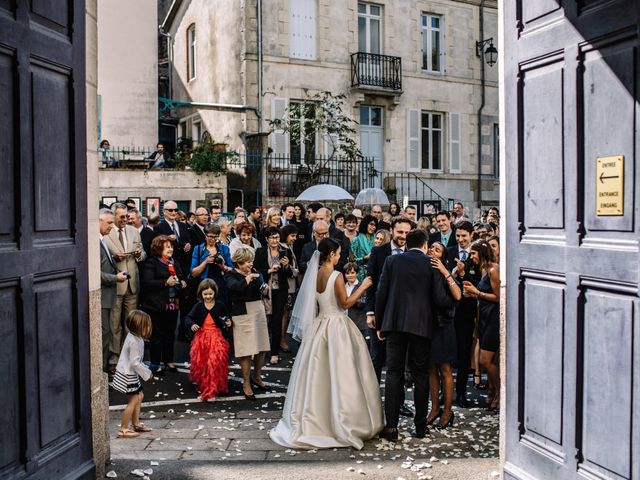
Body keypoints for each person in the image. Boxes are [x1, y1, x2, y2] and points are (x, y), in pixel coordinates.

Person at [269, 239, 382, 449]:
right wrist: (364, 286)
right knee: (342, 375)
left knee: (317, 375)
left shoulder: (316, 273)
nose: (340, 256)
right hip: (337, 325)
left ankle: (316, 419)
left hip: (320, 325)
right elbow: (345, 303)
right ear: (331, 255)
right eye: (338, 253)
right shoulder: (337, 275)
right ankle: (342, 422)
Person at [375, 229, 455, 440]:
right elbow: (440, 299)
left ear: (407, 245)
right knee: (420, 374)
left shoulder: (392, 261)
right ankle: (420, 426)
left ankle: (391, 427)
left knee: (394, 372)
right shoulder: (431, 264)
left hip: (394, 324)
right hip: (422, 326)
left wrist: (380, 324)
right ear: (426, 245)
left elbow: (381, 293)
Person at [104, 203, 146, 374]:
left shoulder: (134, 231)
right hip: (115, 285)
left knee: (130, 324)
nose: (125, 220)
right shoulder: (106, 233)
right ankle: (114, 359)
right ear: (113, 216)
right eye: (121, 217)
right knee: (114, 325)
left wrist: (139, 255)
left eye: (127, 216)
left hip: (132, 285)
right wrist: (114, 257)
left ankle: (129, 358)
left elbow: (143, 253)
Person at [225, 247, 271, 400]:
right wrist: (247, 278)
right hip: (241, 313)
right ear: (238, 263)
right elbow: (233, 288)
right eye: (246, 262)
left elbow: (261, 287)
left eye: (250, 261)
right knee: (245, 350)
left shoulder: (255, 271)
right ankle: (246, 382)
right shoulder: (231, 274)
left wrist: (265, 288)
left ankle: (257, 376)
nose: (249, 265)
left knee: (261, 347)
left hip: (257, 309)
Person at [461, 240, 501, 412]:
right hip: (483, 317)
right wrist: (473, 294)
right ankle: (493, 390)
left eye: (473, 254)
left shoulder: (494, 269)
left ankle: (498, 391)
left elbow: (499, 297)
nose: (471, 257)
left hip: (493, 318)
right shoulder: (483, 270)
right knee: (487, 360)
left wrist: (477, 293)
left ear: (481, 253)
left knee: (486, 359)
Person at [425, 241, 461, 429]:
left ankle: (448, 410)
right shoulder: (425, 270)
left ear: (442, 257)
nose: (432, 250)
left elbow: (457, 295)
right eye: (431, 248)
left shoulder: (445, 273)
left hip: (444, 325)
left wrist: (445, 271)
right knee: (431, 368)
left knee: (445, 369)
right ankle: (435, 408)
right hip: (428, 324)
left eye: (437, 250)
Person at [446, 220, 481, 407]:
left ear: (471, 235)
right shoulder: (449, 252)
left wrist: (462, 275)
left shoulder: (476, 255)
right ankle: (446, 393)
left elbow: (478, 280)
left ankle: (460, 393)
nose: (460, 239)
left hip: (466, 311)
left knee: (464, 352)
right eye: (458, 235)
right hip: (448, 310)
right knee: (446, 354)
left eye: (464, 236)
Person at [140, 235, 187, 375]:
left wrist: (183, 282)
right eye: (167, 247)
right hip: (156, 305)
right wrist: (165, 283)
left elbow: (180, 275)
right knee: (156, 335)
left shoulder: (174, 262)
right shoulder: (151, 263)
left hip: (173, 304)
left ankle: (169, 361)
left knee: (170, 334)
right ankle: (155, 364)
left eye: (171, 247)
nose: (170, 249)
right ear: (158, 249)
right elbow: (147, 283)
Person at [185, 279, 232, 401]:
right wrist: (192, 324)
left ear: (215, 293)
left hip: (216, 338)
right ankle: (205, 386)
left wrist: (228, 322)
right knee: (203, 365)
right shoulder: (198, 306)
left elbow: (226, 317)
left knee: (214, 364)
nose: (208, 296)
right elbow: (188, 318)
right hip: (201, 339)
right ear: (200, 294)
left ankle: (211, 390)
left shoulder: (220, 305)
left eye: (210, 294)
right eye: (205, 294)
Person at [254, 226, 293, 364]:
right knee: (262, 320)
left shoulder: (285, 251)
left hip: (280, 290)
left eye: (277, 237)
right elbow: (256, 270)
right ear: (266, 239)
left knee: (276, 321)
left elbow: (290, 274)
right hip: (264, 290)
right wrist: (269, 270)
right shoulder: (259, 252)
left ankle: (274, 353)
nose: (275, 240)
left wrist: (287, 266)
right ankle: (258, 350)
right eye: (272, 237)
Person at [113, 310, 154, 438]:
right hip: (127, 375)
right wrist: (147, 373)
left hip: (128, 373)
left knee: (139, 395)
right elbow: (135, 363)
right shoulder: (135, 341)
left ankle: (135, 423)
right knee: (134, 399)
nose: (149, 328)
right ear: (139, 327)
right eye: (146, 325)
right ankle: (123, 429)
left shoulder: (133, 336)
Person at [100, 208, 128, 372]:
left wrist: (117, 273)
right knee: (105, 334)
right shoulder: (96, 241)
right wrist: (115, 278)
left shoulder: (102, 239)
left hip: (108, 296)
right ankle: (102, 373)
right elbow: (94, 274)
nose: (112, 226)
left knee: (107, 333)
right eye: (109, 222)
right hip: (103, 296)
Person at [190, 223, 233, 305]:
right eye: (210, 236)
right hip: (204, 286)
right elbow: (193, 273)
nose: (213, 239)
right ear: (205, 235)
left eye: (215, 237)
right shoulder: (198, 249)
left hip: (221, 285)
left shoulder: (224, 249)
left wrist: (223, 266)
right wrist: (205, 262)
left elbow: (232, 270)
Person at [343, 262, 367, 339]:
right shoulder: (343, 287)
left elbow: (365, 301)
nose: (350, 275)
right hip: (344, 322)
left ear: (357, 274)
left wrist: (349, 301)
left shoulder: (362, 286)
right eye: (347, 273)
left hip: (359, 323)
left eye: (353, 273)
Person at [350, 215, 378, 281]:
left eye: (375, 225)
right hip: (360, 275)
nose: (373, 227)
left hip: (374, 273)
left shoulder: (377, 239)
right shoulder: (356, 240)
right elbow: (351, 260)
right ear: (365, 224)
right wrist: (364, 258)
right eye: (371, 224)